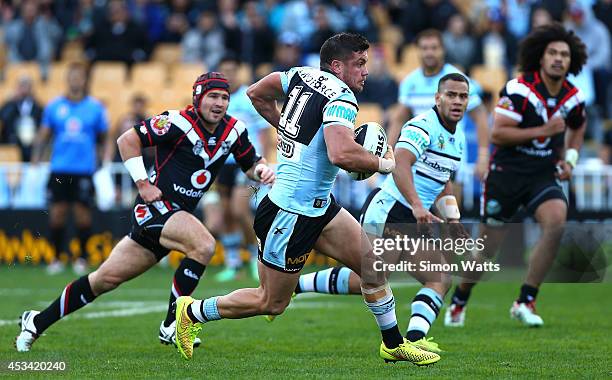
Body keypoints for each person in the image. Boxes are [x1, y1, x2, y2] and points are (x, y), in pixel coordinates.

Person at [174, 32, 440, 366]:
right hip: (289, 212)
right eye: (359, 64)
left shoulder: (300, 75)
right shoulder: (342, 97)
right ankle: (193, 311)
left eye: (365, 64)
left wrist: (287, 128)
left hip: (319, 206)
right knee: (270, 302)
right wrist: (385, 163)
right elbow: (342, 153)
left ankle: (393, 344)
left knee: (373, 266)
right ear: (336, 66)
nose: (365, 71)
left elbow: (257, 93)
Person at [15, 72, 276, 352]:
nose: (219, 103)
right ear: (198, 97)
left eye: (224, 97)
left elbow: (250, 161)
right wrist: (142, 183)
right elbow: (127, 140)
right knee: (203, 245)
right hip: (156, 208)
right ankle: (172, 325)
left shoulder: (234, 129)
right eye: (212, 96)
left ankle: (37, 321)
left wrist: (261, 170)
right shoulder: (176, 121)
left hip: (175, 216)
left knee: (103, 280)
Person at [277, 73, 471, 354]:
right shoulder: (422, 126)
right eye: (451, 95)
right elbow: (401, 163)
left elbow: (443, 180)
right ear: (437, 98)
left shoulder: (457, 138)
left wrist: (452, 219)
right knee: (370, 277)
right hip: (390, 209)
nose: (457, 101)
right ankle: (296, 285)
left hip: (413, 217)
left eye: (462, 96)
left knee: (439, 277)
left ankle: (415, 340)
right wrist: (418, 205)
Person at [445, 22, 587, 327]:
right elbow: (499, 135)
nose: (559, 59)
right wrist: (545, 130)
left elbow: (578, 126)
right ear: (540, 57)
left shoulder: (574, 96)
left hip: (542, 175)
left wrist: (571, 160)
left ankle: (525, 300)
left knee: (556, 221)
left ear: (571, 60)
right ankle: (460, 299)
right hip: (506, 175)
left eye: (564, 54)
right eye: (553, 53)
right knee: (487, 251)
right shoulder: (518, 89)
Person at [31, 62, 111, 276]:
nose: (76, 80)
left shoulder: (95, 108)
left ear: (85, 80)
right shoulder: (54, 106)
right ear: (68, 79)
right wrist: (36, 156)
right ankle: (56, 258)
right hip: (60, 169)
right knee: (57, 213)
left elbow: (104, 137)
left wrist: (105, 157)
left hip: (84, 170)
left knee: (82, 215)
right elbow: (44, 134)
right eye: (72, 76)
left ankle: (82, 258)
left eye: (80, 76)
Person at [388, 29, 490, 180]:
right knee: (418, 202)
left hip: (451, 155)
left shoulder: (458, 80)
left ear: (443, 50)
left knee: (451, 202)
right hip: (419, 155)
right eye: (424, 48)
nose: (429, 53)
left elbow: (480, 116)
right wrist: (388, 152)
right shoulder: (409, 82)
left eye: (434, 48)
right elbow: (398, 119)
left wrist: (483, 157)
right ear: (418, 51)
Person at [213, 54, 273, 282]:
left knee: (240, 211)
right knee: (226, 213)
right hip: (222, 162)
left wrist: (263, 160)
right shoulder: (218, 99)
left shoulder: (248, 96)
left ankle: (257, 257)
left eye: (231, 69)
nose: (227, 74)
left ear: (239, 71)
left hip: (246, 162)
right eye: (223, 70)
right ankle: (233, 263)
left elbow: (264, 131)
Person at [0, 75, 43, 161]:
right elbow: (3, 118)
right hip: (12, 143)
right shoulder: (10, 105)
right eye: (22, 85)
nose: (24, 89)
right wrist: (11, 100)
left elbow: (42, 125)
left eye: (27, 85)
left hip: (31, 146)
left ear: (31, 88)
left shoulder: (37, 107)